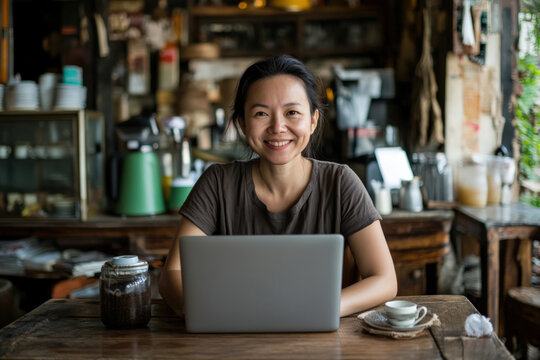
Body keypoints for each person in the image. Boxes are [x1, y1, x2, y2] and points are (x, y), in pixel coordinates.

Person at [159, 55, 397, 318]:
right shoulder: (217, 183)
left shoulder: (341, 183)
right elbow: (173, 272)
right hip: (234, 336)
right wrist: (203, 311)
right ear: (242, 123)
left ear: (313, 120)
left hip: (322, 338)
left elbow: (384, 279)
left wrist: (322, 308)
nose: (278, 127)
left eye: (292, 112)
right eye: (261, 113)